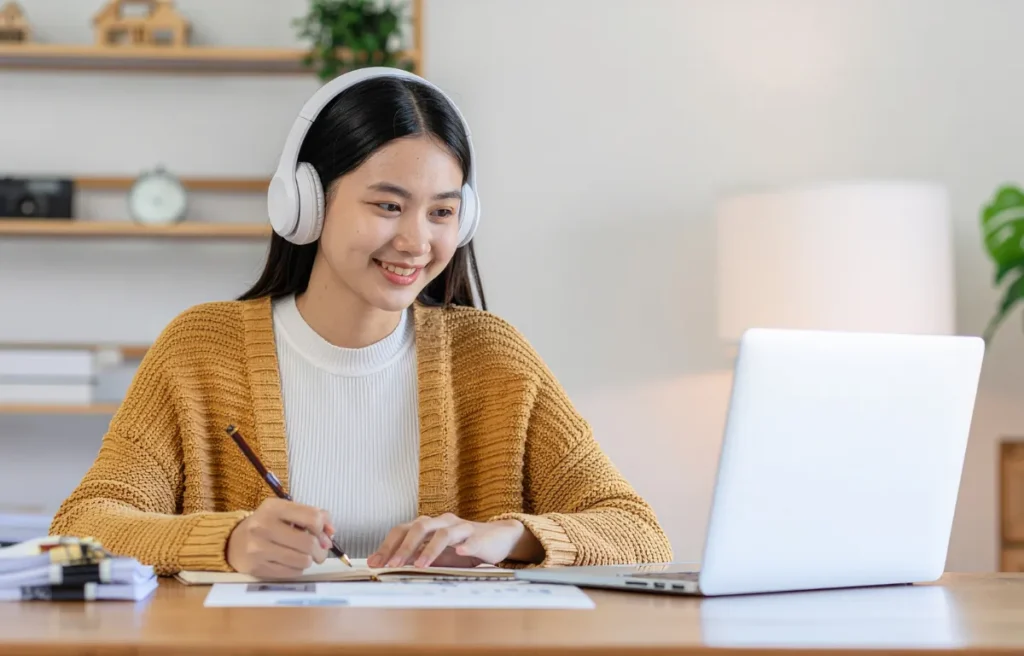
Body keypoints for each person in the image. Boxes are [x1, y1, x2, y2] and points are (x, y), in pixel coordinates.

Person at [49, 67, 673, 579]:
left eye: (442, 212)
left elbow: (638, 531)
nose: (416, 241)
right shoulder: (200, 351)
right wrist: (229, 541)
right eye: (388, 205)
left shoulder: (491, 357)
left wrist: (510, 535)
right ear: (306, 203)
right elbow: (82, 525)